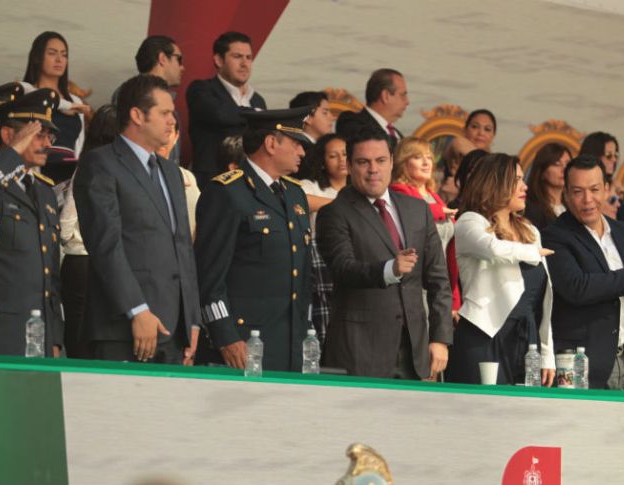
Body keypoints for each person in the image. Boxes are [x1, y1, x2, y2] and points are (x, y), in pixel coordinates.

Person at [73, 74, 202, 364]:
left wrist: (192, 319)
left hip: (175, 331)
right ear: (137, 115)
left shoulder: (171, 172)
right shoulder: (101, 163)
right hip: (123, 328)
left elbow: (183, 247)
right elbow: (105, 244)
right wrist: (137, 309)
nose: (172, 121)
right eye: (164, 113)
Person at [316, 128, 452, 380]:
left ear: (391, 161)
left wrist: (440, 338)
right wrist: (390, 269)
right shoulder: (334, 212)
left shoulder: (417, 209)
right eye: (363, 162)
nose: (373, 169)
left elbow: (439, 279)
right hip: (359, 352)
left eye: (380, 160)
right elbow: (343, 268)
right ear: (349, 166)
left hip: (415, 352)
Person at [193, 107, 313, 372]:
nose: (302, 152)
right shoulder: (228, 192)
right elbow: (208, 277)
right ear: (271, 143)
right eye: (296, 143)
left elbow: (303, 278)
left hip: (290, 345)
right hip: (243, 345)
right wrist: (226, 337)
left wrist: (306, 336)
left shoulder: (295, 194)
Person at [447, 153, 555, 386]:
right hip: (484, 335)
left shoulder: (530, 231)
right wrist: (534, 252)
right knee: (482, 407)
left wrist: (547, 354)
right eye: (516, 180)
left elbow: (543, 301)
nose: (525, 186)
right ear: (495, 183)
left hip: (526, 341)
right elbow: (493, 249)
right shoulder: (470, 222)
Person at [541, 155, 624, 390]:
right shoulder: (555, 235)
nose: (587, 200)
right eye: (578, 192)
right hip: (583, 365)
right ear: (566, 194)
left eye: (594, 190)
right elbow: (577, 287)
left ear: (606, 189)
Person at [0, 88, 64, 357]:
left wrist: (55, 337)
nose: (47, 144)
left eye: (49, 136)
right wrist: (11, 154)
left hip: (40, 337)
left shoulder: (45, 192)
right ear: (8, 135)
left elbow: (51, 273)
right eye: (37, 134)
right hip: (1, 334)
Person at [59, 104, 119, 359]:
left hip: (81, 259)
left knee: (80, 337)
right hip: (95, 260)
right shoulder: (109, 167)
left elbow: (65, 224)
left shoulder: (89, 165)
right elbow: (67, 221)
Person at [389, 137, 461, 324]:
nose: (426, 162)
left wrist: (454, 300)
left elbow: (448, 253)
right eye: (417, 157)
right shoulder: (398, 191)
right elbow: (413, 212)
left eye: (429, 157)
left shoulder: (434, 196)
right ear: (403, 163)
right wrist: (440, 211)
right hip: (415, 284)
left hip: (440, 284)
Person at [187, 31, 267, 189]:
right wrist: (256, 114)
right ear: (218, 60)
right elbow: (220, 114)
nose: (244, 63)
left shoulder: (258, 100)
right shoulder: (201, 89)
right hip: (212, 182)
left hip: (251, 183)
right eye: (237, 57)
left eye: (248, 57)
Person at [21, 31, 91, 184]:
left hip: (69, 172)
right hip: (38, 168)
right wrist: (67, 106)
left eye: (64, 55)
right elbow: (44, 98)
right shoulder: (26, 92)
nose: (59, 59)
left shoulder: (75, 100)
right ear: (37, 57)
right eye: (52, 53)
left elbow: (79, 144)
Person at [299, 133, 348, 347]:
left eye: (345, 154)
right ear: (322, 161)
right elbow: (301, 200)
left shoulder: (360, 188)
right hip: (319, 260)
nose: (342, 160)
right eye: (333, 156)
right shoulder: (311, 186)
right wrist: (342, 206)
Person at [112, 35, 185, 165]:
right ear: (162, 58)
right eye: (178, 59)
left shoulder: (166, 97)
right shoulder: (130, 94)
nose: (182, 67)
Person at [336, 68, 409, 152]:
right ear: (385, 96)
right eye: (402, 95)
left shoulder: (397, 135)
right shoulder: (352, 122)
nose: (407, 102)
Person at [579, 131, 624, 223]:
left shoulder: (615, 188)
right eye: (608, 155)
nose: (614, 159)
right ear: (594, 155)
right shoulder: (579, 184)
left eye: (616, 155)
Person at [524, 143, 572, 231]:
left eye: (568, 164)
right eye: (557, 164)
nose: (564, 169)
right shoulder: (531, 210)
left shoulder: (573, 206)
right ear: (542, 171)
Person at [288, 91, 336, 180]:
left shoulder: (317, 147)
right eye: (325, 112)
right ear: (307, 118)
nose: (332, 117)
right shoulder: (301, 150)